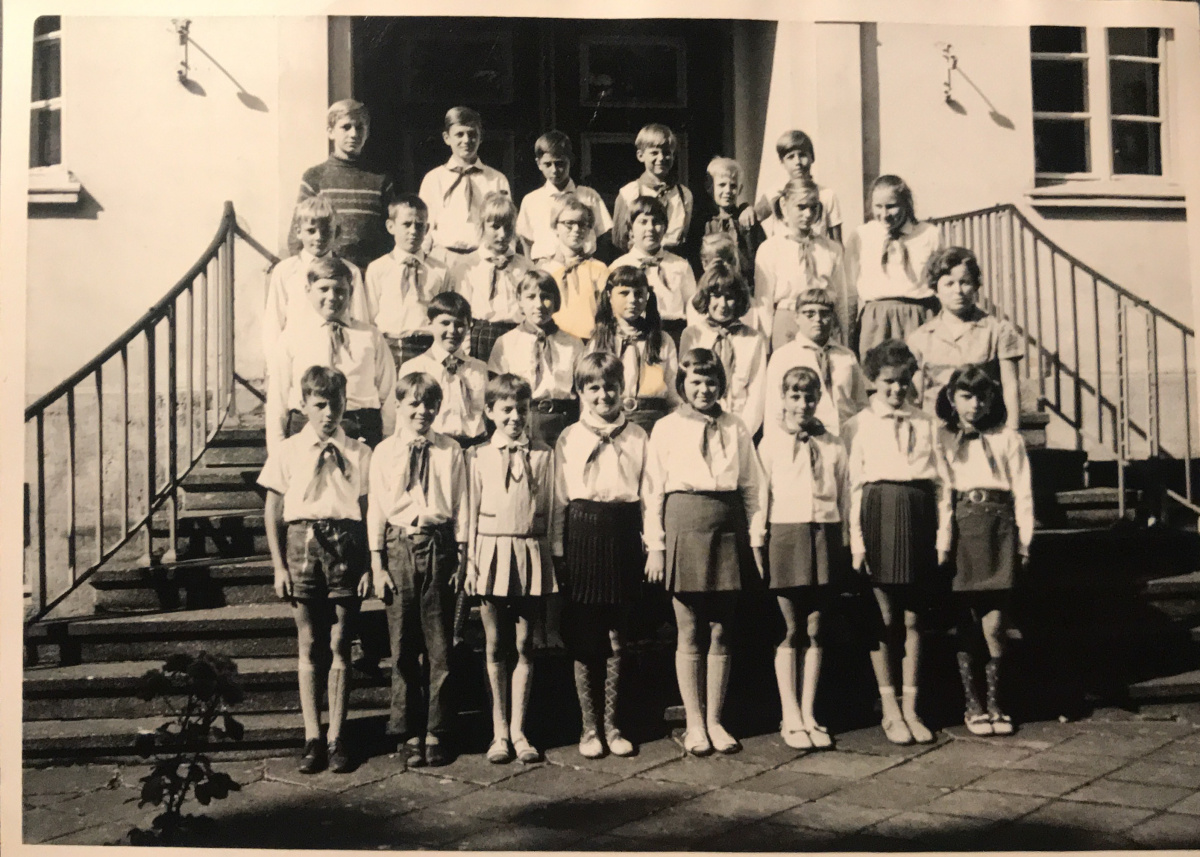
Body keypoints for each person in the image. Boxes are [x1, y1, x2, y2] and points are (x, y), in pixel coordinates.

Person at [644, 349, 768, 756]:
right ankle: (694, 724)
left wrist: (755, 537)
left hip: (727, 524)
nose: (704, 388)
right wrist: (657, 547)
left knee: (722, 627)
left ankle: (716, 720)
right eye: (695, 381)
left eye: (711, 381)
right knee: (689, 627)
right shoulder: (664, 428)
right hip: (684, 520)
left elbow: (752, 485)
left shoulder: (736, 427)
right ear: (683, 385)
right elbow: (653, 491)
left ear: (721, 384)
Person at [260, 366, 372, 774]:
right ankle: (312, 736)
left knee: (341, 642)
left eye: (336, 404)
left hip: (347, 544)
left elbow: (367, 510)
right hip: (302, 543)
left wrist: (369, 565)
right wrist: (278, 566)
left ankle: (337, 736)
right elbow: (272, 509)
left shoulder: (360, 452)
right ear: (304, 405)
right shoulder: (288, 451)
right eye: (320, 404)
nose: (329, 413)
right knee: (309, 642)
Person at [845, 340, 952, 745]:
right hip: (879, 513)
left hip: (919, 513)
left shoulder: (927, 422)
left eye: (904, 381)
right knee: (884, 617)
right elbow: (853, 487)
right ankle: (888, 707)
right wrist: (856, 542)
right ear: (873, 381)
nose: (897, 390)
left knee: (913, 618)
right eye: (889, 382)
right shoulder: (858, 425)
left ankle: (911, 706)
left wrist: (943, 536)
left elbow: (943, 485)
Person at [550, 352, 648, 759]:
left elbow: (650, 493)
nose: (603, 394)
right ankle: (589, 729)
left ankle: (613, 723)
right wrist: (558, 548)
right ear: (580, 392)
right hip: (582, 531)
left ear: (622, 389)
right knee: (586, 635)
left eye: (610, 386)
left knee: (617, 635)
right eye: (593, 387)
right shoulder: (570, 437)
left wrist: (650, 542)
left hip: (623, 530)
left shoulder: (638, 436)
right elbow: (558, 497)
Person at [369, 372, 469, 767]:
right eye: (413, 403)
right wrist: (377, 563)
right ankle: (407, 730)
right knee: (403, 644)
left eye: (429, 404)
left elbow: (461, 504)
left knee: (441, 645)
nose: (422, 411)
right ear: (398, 406)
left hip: (440, 545)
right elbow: (376, 507)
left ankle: (437, 730)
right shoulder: (384, 452)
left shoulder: (450, 450)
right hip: (398, 546)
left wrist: (464, 555)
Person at [464, 374, 557, 764]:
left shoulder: (544, 455)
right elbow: (468, 515)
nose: (515, 417)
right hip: (490, 552)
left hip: (529, 552)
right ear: (489, 413)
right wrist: (470, 561)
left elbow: (551, 511)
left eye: (522, 409)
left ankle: (520, 731)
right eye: (506, 410)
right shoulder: (478, 456)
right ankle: (498, 732)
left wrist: (549, 558)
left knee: (524, 645)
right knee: (495, 644)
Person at [936, 365, 1033, 737]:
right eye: (965, 396)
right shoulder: (944, 438)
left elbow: (1023, 491)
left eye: (981, 396)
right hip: (963, 526)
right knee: (967, 619)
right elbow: (943, 493)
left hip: (999, 526)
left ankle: (995, 701)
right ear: (952, 399)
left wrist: (1025, 538)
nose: (974, 404)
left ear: (992, 399)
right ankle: (972, 704)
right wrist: (944, 541)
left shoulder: (1009, 439)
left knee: (995, 621)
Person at [759, 366, 849, 750]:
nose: (802, 404)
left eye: (809, 396)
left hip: (824, 532)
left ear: (819, 400)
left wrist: (845, 540)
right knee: (789, 628)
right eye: (795, 396)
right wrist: (758, 541)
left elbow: (844, 493)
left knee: (816, 629)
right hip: (786, 533)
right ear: (783, 398)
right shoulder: (770, 444)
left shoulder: (833, 443)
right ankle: (789, 714)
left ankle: (809, 713)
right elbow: (760, 496)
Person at [266, 256, 396, 453]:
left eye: (340, 290)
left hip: (360, 427)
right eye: (323, 289)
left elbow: (389, 392)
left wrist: (387, 441)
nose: (332, 297)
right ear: (308, 291)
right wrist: (277, 449)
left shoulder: (371, 336)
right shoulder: (292, 337)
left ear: (351, 292)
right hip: (306, 427)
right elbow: (278, 396)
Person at [907, 246, 1023, 428]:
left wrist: (1013, 430)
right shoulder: (920, 338)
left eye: (965, 282)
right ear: (935, 289)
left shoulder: (997, 330)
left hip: (986, 428)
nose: (958, 291)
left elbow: (1010, 386)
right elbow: (916, 397)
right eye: (949, 284)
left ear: (975, 286)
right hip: (938, 433)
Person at [288, 99, 394, 271]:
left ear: (367, 133)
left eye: (360, 128)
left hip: (369, 276)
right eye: (346, 127)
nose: (353, 134)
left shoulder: (380, 180)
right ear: (330, 132)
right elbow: (297, 233)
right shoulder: (315, 177)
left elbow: (391, 235)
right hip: (328, 276)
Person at [264, 195, 370, 366]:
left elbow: (359, 319)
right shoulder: (285, 271)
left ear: (336, 232)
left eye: (326, 230)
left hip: (338, 358)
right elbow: (274, 323)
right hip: (297, 357)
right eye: (311, 230)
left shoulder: (350, 271)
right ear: (298, 231)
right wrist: (273, 367)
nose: (319, 237)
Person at [846, 175, 941, 358]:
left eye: (891, 206)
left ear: (906, 203)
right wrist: (849, 333)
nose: (885, 214)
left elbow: (940, 283)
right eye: (878, 207)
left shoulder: (929, 234)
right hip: (876, 321)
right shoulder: (861, 235)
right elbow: (850, 291)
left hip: (920, 317)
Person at [489, 270, 586, 449]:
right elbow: (497, 394)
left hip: (562, 419)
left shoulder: (573, 344)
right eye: (531, 297)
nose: (539, 305)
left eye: (546, 297)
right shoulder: (506, 342)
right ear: (519, 300)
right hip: (522, 419)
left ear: (556, 301)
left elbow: (583, 393)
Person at [755, 177, 851, 350]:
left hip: (822, 323)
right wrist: (765, 344)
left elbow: (841, 300)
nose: (808, 214)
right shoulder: (770, 248)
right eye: (801, 207)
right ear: (784, 206)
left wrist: (844, 337)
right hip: (787, 323)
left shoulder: (830, 249)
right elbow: (764, 302)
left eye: (813, 207)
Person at [763, 289, 869, 445]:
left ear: (833, 318)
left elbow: (861, 405)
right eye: (810, 314)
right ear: (797, 318)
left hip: (848, 440)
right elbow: (774, 412)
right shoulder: (783, 357)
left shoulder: (846, 356)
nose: (818, 319)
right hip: (805, 441)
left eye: (824, 314)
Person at [363, 194, 455, 368]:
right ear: (391, 226)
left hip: (427, 346)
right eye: (406, 224)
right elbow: (370, 317)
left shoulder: (440, 271)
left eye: (419, 225)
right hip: (389, 345)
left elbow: (446, 316)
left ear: (427, 229)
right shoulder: (378, 268)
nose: (413, 231)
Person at [680, 261, 768, 437]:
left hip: (740, 425)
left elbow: (757, 394)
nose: (723, 304)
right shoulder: (693, 334)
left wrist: (743, 432)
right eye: (716, 296)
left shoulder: (753, 339)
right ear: (706, 297)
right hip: (697, 423)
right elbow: (684, 385)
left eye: (729, 297)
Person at [589, 266, 681, 434]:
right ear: (609, 296)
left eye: (639, 294)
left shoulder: (661, 340)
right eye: (624, 293)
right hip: (612, 421)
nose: (632, 300)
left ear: (647, 297)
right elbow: (588, 393)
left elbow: (674, 395)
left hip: (655, 423)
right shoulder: (599, 341)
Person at [398, 292, 489, 450]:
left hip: (476, 448)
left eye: (459, 324)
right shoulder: (414, 367)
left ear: (469, 326)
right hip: (437, 449)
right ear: (430, 323)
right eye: (445, 323)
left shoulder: (479, 368)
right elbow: (404, 420)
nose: (452, 331)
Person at [418, 106, 511, 261]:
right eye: (459, 134)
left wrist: (503, 255)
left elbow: (507, 223)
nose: (466, 140)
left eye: (472, 134)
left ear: (481, 137)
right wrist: (422, 258)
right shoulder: (434, 179)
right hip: (443, 258)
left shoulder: (496, 179)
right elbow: (425, 226)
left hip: (483, 258)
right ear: (447, 138)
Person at [453, 191, 536, 362]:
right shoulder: (468, 266)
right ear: (482, 225)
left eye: (508, 226)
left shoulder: (525, 266)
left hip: (517, 334)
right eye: (495, 226)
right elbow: (463, 314)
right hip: (483, 335)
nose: (502, 234)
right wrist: (464, 352)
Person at [610, 196, 697, 346]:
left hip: (675, 335)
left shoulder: (680, 265)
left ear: (665, 227)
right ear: (630, 229)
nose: (650, 228)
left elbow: (693, 307)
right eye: (643, 222)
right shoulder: (619, 266)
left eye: (656, 222)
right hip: (634, 337)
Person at [516, 131, 612, 264]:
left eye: (560, 163)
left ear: (570, 160)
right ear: (538, 163)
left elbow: (603, 236)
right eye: (548, 164)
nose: (554, 170)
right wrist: (531, 269)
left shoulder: (589, 196)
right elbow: (526, 241)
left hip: (583, 265)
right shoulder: (531, 200)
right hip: (545, 268)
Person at [611, 123, 694, 254]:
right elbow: (620, 240)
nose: (661, 158)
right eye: (654, 153)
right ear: (640, 156)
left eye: (667, 153)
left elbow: (686, 236)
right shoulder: (629, 193)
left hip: (673, 262)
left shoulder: (683, 194)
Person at [753, 129, 843, 244]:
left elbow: (837, 243)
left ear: (812, 157)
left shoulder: (827, 195)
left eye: (802, 155)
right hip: (784, 257)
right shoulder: (774, 192)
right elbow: (752, 218)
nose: (798, 162)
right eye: (790, 157)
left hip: (816, 256)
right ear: (782, 162)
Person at [541, 195, 610, 341]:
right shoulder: (545, 269)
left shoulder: (598, 269)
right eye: (569, 223)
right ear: (555, 227)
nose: (576, 229)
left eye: (582, 224)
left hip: (589, 342)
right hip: (554, 342)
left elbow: (606, 312)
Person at [684, 157, 761, 283]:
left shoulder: (746, 220)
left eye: (733, 186)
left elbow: (758, 258)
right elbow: (694, 261)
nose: (728, 191)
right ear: (710, 187)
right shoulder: (702, 223)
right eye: (722, 185)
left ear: (740, 190)